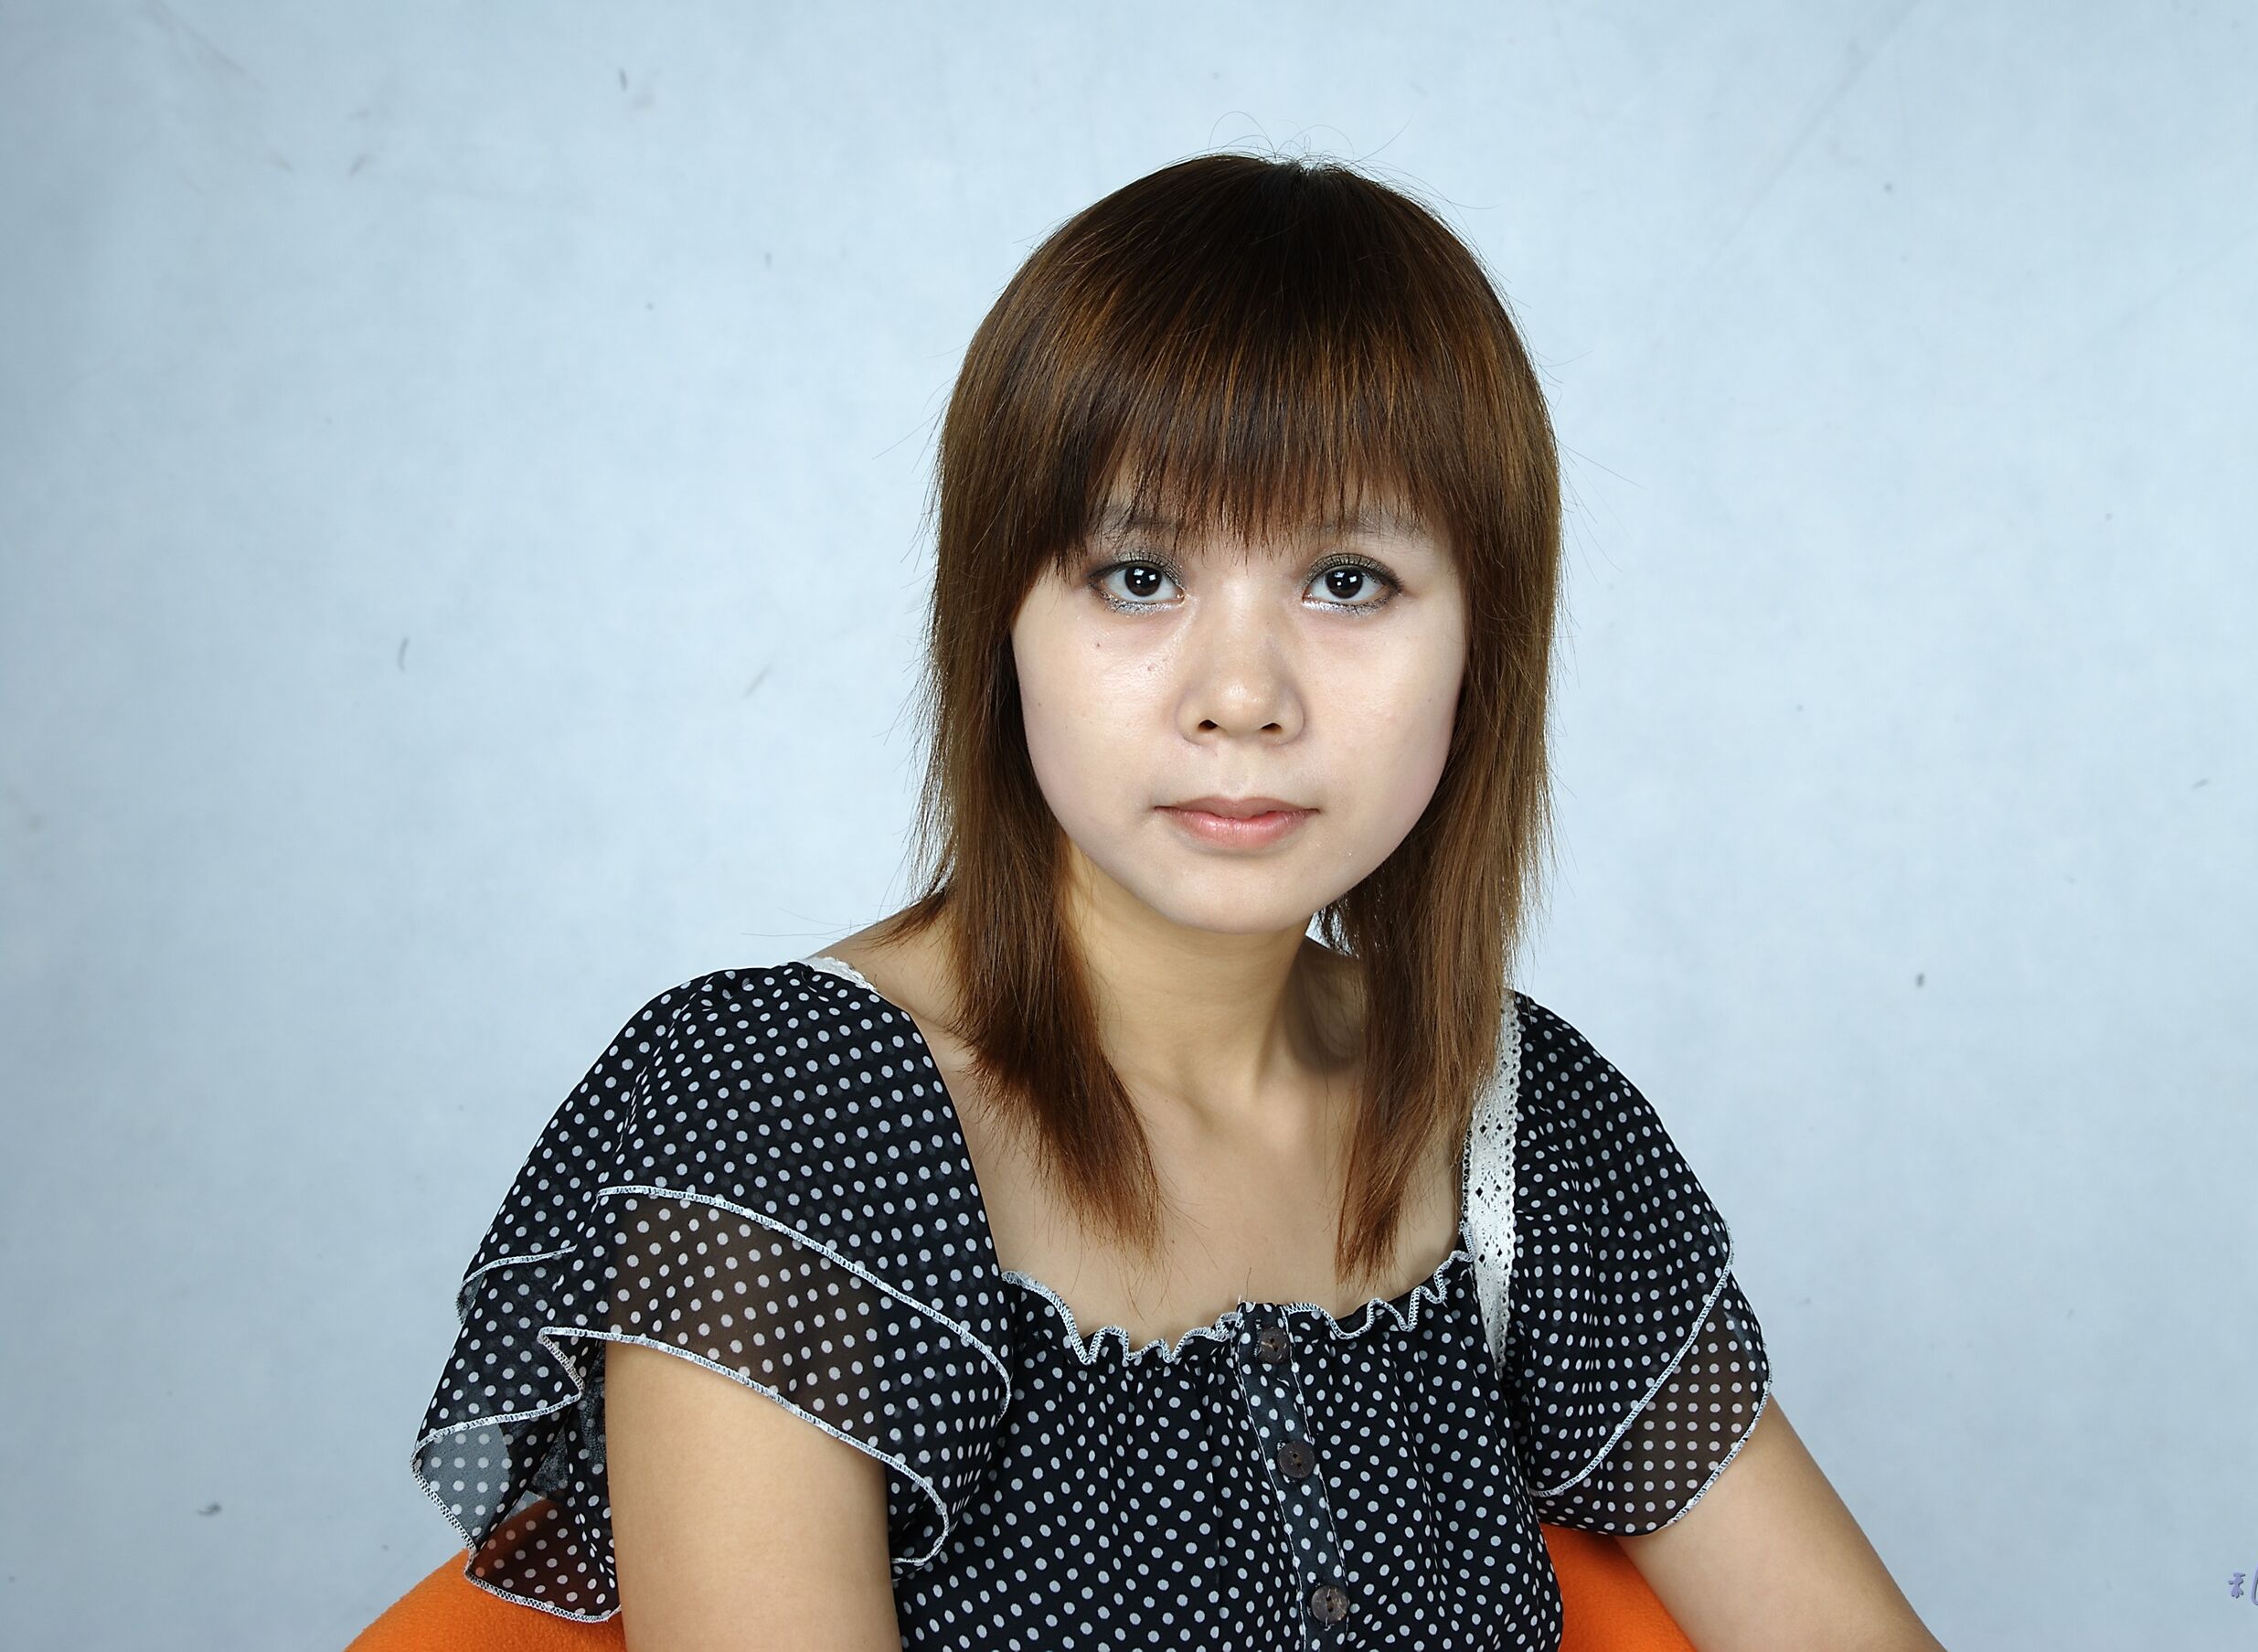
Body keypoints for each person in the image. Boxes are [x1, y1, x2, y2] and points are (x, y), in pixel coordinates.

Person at [410, 150, 1944, 1651]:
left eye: (1348, 580)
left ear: (1485, 643)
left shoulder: (1515, 1124)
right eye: (1139, 575)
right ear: (998, 618)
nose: (1243, 695)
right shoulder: (785, 1108)